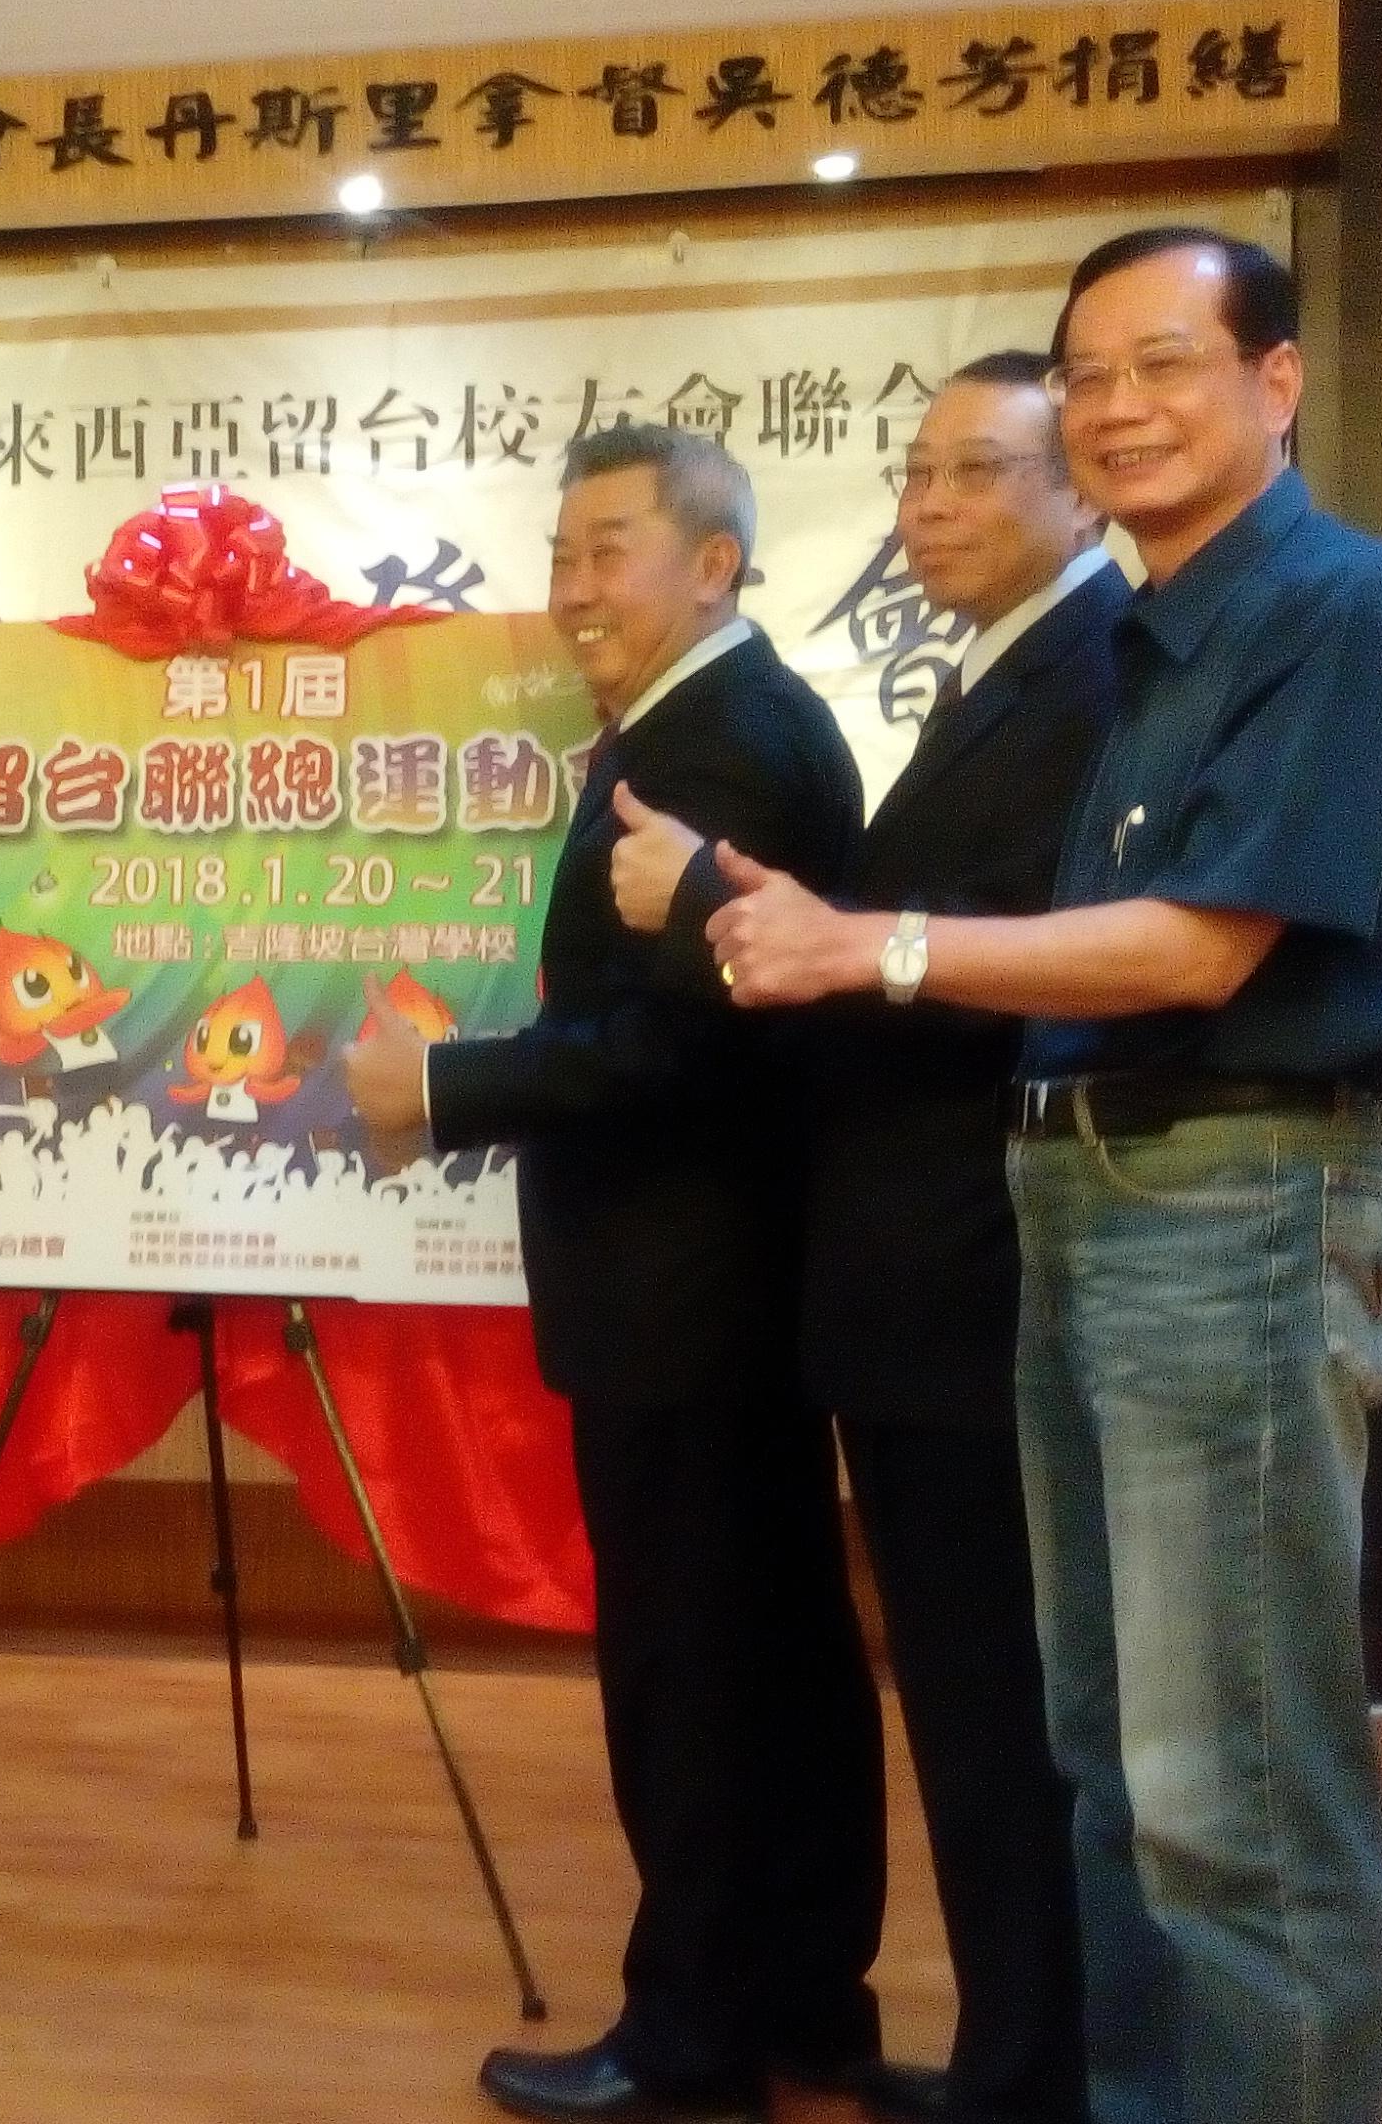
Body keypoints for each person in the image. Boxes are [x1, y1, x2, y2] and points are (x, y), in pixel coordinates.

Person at [710, 230, 1382, 2124]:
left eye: (1166, 364)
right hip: (1091, 1200)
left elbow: (1200, 949)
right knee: (1114, 1762)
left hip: (1241, 1201)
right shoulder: (1136, 633)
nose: (1120, 406)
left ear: (1275, 384)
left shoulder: (1343, 609)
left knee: (1242, 1794)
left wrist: (860, 947)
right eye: (1091, 371)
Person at [344, 421, 896, 2124]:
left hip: (691, 1288)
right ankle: (802, 1999)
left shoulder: (719, 740)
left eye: (607, 550)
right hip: (714, 1287)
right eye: (560, 551)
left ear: (711, 563)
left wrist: (441, 1091)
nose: (571, 587)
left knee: (698, 1665)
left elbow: (682, 1052)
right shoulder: (704, 720)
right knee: (772, 1647)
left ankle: (693, 2041)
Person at [616, 352, 1122, 2124]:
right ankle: (1006, 2063)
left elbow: (963, 966)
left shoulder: (1091, 677)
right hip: (911, 1283)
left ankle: (1031, 2080)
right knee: (964, 1713)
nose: (928, 510)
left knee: (1006, 1719)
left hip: (976, 1272)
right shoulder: (1004, 678)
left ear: (1082, 491)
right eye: (913, 476)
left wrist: (715, 912)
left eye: (975, 472)